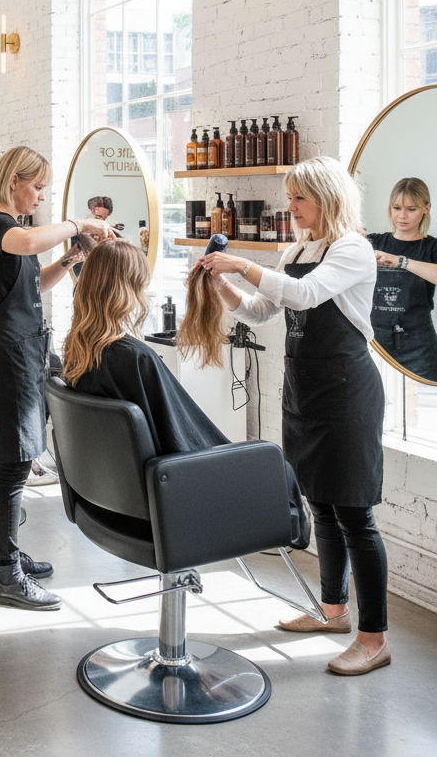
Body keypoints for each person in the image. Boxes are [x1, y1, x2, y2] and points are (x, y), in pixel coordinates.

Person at [197, 156, 390, 676]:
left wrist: (241, 265)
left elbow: (305, 293)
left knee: (355, 515)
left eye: (299, 197)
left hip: (346, 393)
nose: (291, 206)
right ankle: (333, 611)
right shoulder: (297, 251)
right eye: (291, 197)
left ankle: (374, 639)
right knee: (321, 505)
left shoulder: (353, 249)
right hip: (305, 390)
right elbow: (263, 310)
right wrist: (222, 285)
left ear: (327, 198)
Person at [61, 237, 309, 548]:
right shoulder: (134, 358)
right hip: (166, 505)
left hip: (107, 505)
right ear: (130, 289)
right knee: (275, 464)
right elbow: (183, 440)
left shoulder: (76, 352)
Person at [0, 146, 111, 611]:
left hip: (19, 350)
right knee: (15, 465)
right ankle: (9, 577)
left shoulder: (14, 232)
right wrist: (78, 223)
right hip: (8, 354)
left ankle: (3, 559)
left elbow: (32, 284)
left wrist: (70, 259)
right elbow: (30, 243)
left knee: (6, 460)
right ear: (14, 181)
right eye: (37, 186)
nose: (41, 195)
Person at [367, 177, 437, 381]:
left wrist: (401, 261)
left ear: (426, 208)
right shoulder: (373, 242)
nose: (402, 216)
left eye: (411, 209)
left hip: (420, 346)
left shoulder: (432, 248)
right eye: (396, 208)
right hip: (375, 342)